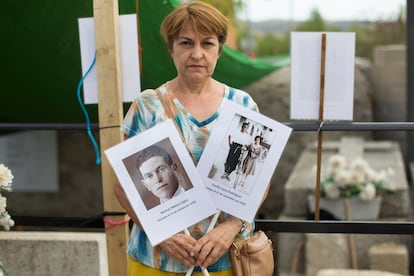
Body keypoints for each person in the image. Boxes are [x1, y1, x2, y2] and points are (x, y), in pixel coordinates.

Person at [114, 1, 269, 275]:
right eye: (186, 43)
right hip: (157, 262)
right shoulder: (148, 105)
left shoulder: (242, 105)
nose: (197, 54)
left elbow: (259, 182)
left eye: (207, 44)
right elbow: (123, 186)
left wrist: (231, 227)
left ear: (219, 50)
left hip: (227, 259)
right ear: (171, 49)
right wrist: (162, 234)